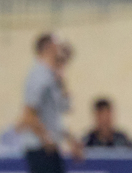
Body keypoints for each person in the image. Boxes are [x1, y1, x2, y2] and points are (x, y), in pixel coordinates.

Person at [18, 33, 83, 173]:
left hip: (48, 148)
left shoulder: (51, 77)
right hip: (40, 149)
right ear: (48, 49)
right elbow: (28, 114)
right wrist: (46, 139)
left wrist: (69, 139)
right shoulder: (39, 75)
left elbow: (54, 117)